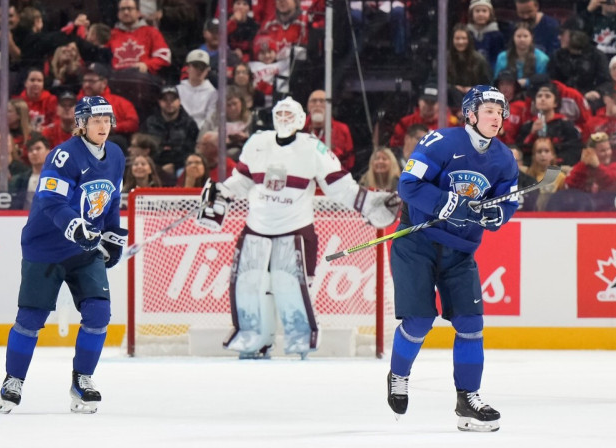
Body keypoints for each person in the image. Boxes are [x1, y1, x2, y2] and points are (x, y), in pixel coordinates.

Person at [197, 96, 399, 359]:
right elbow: (243, 180)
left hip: (294, 230)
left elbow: (339, 186)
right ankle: (254, 338)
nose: (283, 120)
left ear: (301, 120)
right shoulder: (257, 143)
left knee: (288, 286)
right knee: (247, 283)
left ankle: (299, 339)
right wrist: (223, 191)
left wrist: (368, 202)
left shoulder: (313, 148)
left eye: (289, 115)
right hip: (255, 228)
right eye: (279, 114)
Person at [387, 85, 517, 432]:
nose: (496, 117)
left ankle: (468, 399)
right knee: (418, 322)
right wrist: (448, 203)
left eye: (499, 111)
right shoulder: (440, 142)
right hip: (417, 242)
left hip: (460, 251)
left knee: (471, 324)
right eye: (488, 110)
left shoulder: (504, 158)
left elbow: (508, 200)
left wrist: (498, 214)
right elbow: (408, 186)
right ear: (470, 114)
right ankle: (399, 375)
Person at [0, 95, 127, 414]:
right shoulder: (62, 156)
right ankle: (13, 380)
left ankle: (82, 379)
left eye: (107, 120)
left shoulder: (117, 155)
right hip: (46, 247)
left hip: (85, 249)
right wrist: (75, 227)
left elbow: (109, 200)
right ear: (80, 124)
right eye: (96, 120)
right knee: (31, 319)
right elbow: (52, 201)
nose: (103, 126)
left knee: (98, 314)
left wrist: (111, 235)